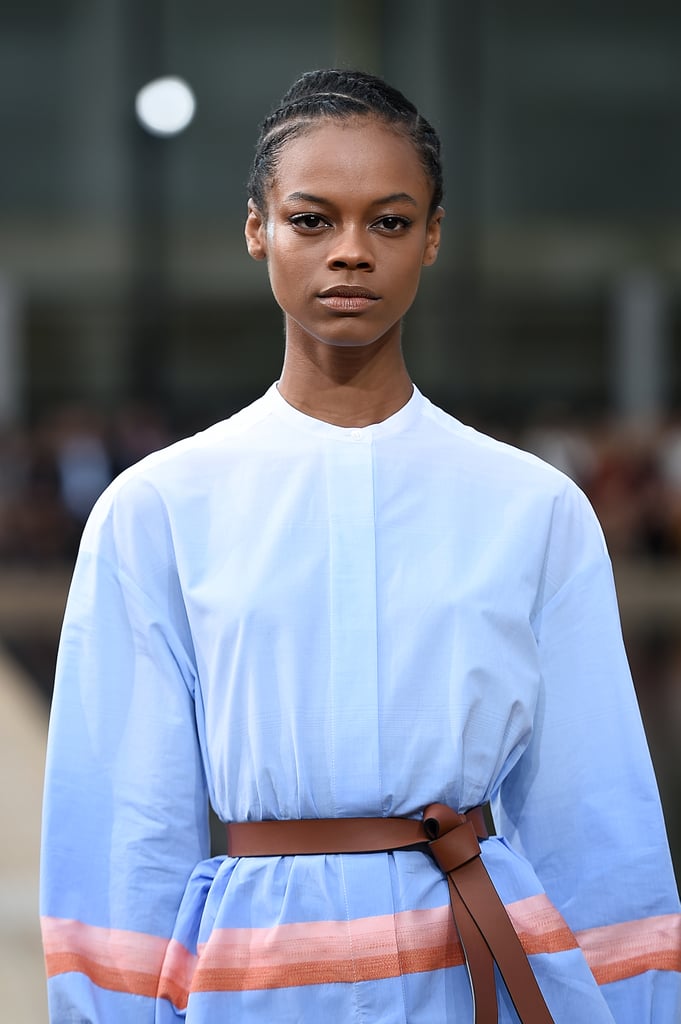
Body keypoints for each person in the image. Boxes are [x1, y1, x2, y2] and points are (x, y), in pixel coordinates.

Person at [40, 68, 680, 1023]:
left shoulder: (529, 505)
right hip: (251, 982)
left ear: (431, 238)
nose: (350, 253)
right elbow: (124, 824)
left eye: (387, 221)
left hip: (478, 970)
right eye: (311, 220)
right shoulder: (160, 508)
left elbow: (594, 813)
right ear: (256, 228)